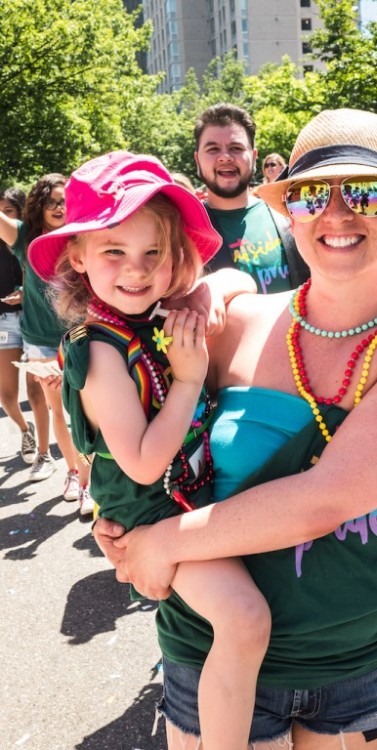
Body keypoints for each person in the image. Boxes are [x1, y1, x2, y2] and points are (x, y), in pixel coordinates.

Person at [94, 110, 377, 749]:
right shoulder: (232, 320)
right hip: (211, 641)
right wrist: (118, 514)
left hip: (352, 658)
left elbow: (323, 500)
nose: (336, 213)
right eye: (310, 195)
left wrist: (160, 542)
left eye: (362, 191)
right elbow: (140, 429)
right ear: (289, 213)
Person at [28, 150, 271, 750]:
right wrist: (189, 380)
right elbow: (140, 461)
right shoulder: (101, 347)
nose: (135, 271)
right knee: (245, 621)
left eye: (152, 254)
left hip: (190, 493)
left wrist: (209, 289)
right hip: (152, 513)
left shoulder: (153, 315)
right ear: (77, 256)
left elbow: (244, 279)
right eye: (114, 251)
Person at [0, 174, 92, 512]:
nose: (59, 207)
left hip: (81, 337)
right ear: (38, 204)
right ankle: (76, 476)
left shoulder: (82, 234)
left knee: (88, 413)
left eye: (65, 200)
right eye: (52, 200)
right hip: (41, 342)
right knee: (59, 410)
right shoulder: (24, 237)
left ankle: (93, 476)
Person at [194, 103, 309, 293]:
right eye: (213, 149)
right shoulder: (184, 231)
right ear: (197, 159)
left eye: (236, 148)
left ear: (254, 156)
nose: (225, 157)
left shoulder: (288, 215)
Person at [0, 188, 37, 463]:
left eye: (8, 211)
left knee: (37, 392)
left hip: (36, 319)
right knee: (7, 395)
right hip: (4, 322)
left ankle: (48, 453)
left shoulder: (27, 240)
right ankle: (26, 431)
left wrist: (25, 290)